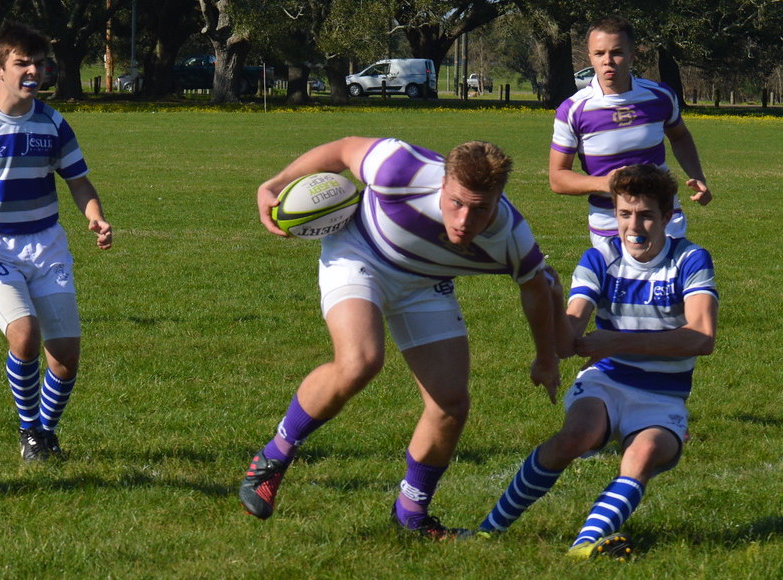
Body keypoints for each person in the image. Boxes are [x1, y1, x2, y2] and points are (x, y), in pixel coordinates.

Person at [240, 137, 562, 538]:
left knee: (450, 403)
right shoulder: (399, 168)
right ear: (443, 184)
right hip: (359, 253)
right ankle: (272, 459)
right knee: (360, 361)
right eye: (457, 203)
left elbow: (540, 288)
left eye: (481, 209)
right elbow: (341, 150)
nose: (465, 220)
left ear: (499, 199)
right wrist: (275, 183)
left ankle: (411, 516)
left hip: (424, 285)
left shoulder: (510, 235)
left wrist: (546, 357)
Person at [476, 164, 718, 559]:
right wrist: (552, 301)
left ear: (668, 216)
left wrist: (617, 341)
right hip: (606, 381)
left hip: (663, 396)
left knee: (640, 456)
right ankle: (486, 532)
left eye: (645, 215)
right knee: (575, 436)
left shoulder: (690, 260)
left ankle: (583, 546)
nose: (633, 226)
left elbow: (702, 338)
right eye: (624, 214)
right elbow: (571, 340)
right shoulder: (599, 258)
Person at [0, 20, 113, 462]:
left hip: (46, 245)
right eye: (22, 63)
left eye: (39, 63)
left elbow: (78, 182)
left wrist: (95, 216)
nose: (33, 71)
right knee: (25, 336)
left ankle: (47, 432)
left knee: (65, 357)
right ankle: (29, 430)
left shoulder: (53, 124)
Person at [550, 15, 713, 249]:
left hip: (663, 216)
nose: (608, 61)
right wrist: (605, 184)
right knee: (619, 286)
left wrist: (698, 176)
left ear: (631, 55)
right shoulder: (573, 110)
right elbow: (557, 178)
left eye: (616, 52)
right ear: (590, 58)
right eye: (599, 54)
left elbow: (679, 136)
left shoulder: (660, 96)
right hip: (609, 222)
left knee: (671, 284)